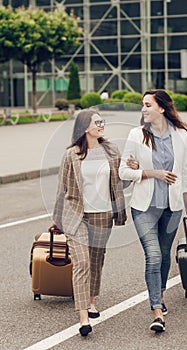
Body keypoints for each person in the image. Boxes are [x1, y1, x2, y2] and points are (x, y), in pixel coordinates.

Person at [119, 89, 187, 333]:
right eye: (142, 105)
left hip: (172, 207)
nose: (143, 109)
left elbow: (183, 173)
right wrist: (147, 172)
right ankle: (156, 310)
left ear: (161, 108)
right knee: (153, 255)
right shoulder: (136, 134)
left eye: (147, 105)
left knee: (164, 255)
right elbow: (123, 172)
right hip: (144, 207)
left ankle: (160, 295)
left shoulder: (181, 135)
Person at [49, 108, 127, 337]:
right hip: (77, 216)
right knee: (82, 262)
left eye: (102, 121)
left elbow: (120, 184)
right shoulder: (71, 155)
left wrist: (131, 171)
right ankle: (83, 317)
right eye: (97, 122)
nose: (102, 125)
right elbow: (61, 189)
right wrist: (57, 220)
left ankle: (91, 301)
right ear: (84, 128)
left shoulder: (111, 151)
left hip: (103, 215)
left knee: (96, 260)